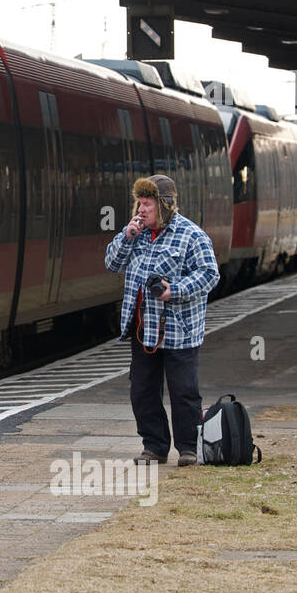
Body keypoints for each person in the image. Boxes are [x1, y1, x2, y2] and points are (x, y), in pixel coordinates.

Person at [104, 174, 220, 466]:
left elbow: (210, 274)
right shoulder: (135, 233)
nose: (140, 210)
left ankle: (188, 448)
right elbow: (112, 263)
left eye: (147, 204)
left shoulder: (192, 235)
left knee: (184, 392)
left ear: (165, 205)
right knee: (142, 390)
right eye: (139, 204)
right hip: (143, 328)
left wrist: (175, 291)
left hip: (179, 330)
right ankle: (154, 446)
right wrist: (125, 236)